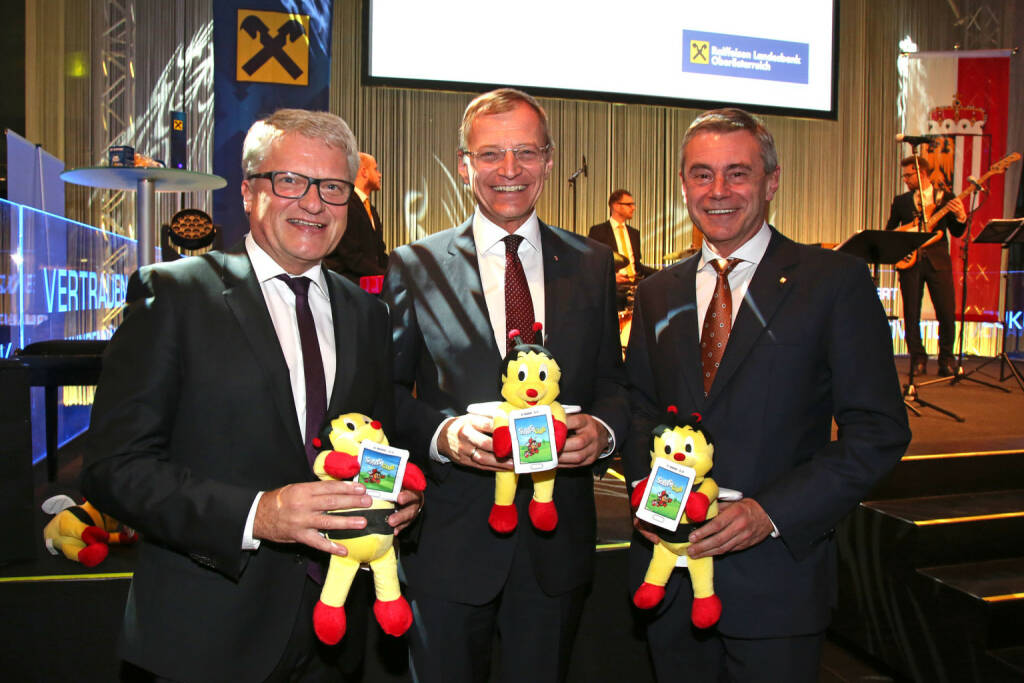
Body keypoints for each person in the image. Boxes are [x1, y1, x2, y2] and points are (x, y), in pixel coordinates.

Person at [81, 109, 422, 683]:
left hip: (333, 639)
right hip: (205, 638)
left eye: (333, 187)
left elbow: (375, 444)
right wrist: (257, 514)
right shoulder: (173, 295)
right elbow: (113, 469)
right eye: (290, 180)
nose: (313, 203)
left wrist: (404, 504)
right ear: (247, 191)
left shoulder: (367, 315)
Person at [623, 108, 911, 683]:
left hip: (777, 580)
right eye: (702, 174)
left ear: (771, 180)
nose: (718, 191)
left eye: (738, 173)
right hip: (670, 576)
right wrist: (644, 489)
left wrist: (769, 513)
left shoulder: (834, 283)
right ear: (683, 185)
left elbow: (878, 430)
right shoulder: (658, 292)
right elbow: (639, 409)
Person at [382, 88, 629, 683]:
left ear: (548, 160)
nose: (509, 170)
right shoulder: (414, 266)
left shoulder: (593, 265)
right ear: (464, 166)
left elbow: (613, 385)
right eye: (491, 154)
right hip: (447, 545)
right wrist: (442, 435)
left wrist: (603, 432)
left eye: (525, 152)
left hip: (556, 548)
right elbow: (384, 394)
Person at [885, 154, 967, 377]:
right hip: (911, 262)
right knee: (911, 313)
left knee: (946, 311)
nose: (905, 179)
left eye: (908, 175)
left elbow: (957, 232)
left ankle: (946, 358)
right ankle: (917, 358)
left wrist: (961, 217)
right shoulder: (901, 201)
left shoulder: (945, 198)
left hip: (938, 261)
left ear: (921, 173)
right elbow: (890, 231)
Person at [323, 152, 389, 285]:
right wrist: (385, 276)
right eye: (375, 169)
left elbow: (379, 253)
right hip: (346, 286)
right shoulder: (344, 203)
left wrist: (395, 273)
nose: (379, 175)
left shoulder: (371, 209)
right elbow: (349, 255)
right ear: (364, 172)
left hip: (369, 284)